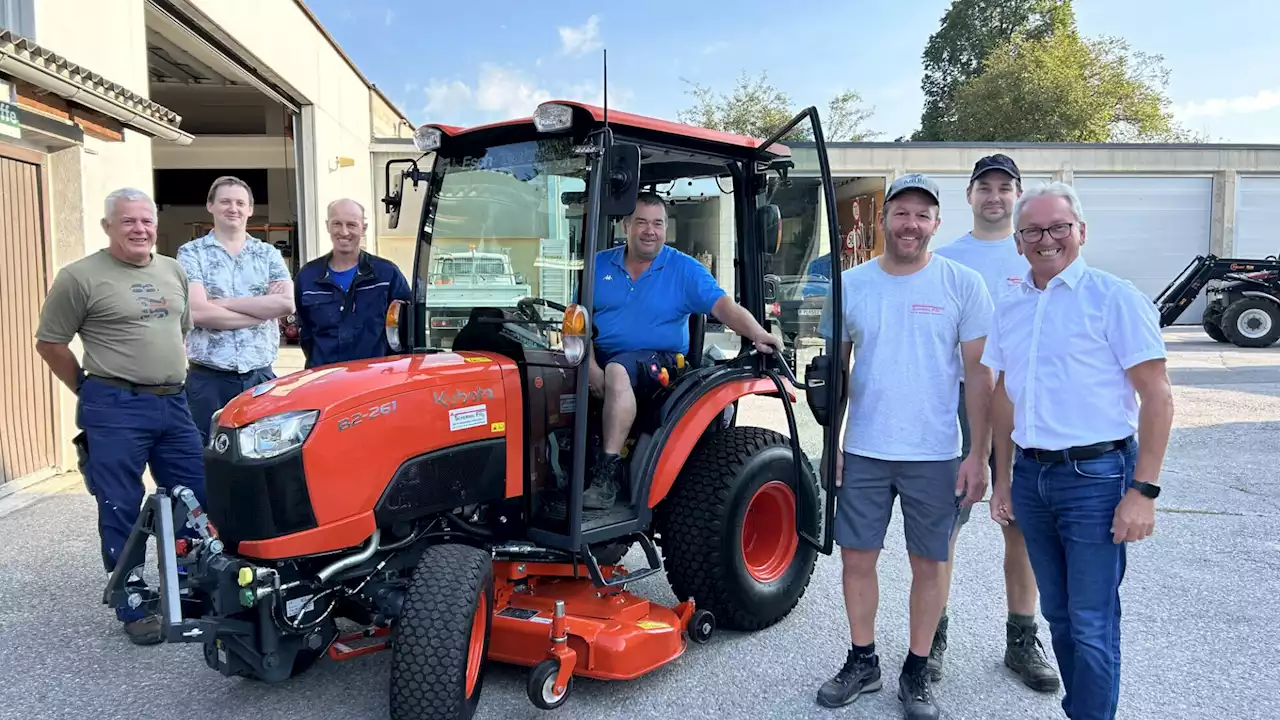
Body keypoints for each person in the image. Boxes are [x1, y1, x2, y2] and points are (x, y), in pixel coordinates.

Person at [984, 182, 1174, 720]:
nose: (1046, 240)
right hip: (1032, 477)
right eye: (1033, 231)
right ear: (1018, 242)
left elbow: (1157, 398)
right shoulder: (1012, 303)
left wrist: (1143, 491)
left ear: (1081, 232)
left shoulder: (1115, 298)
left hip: (1096, 477)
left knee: (1091, 621)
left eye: (1058, 227)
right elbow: (1003, 395)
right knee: (1061, 617)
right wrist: (1004, 479)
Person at [815, 174, 994, 720]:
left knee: (931, 562)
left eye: (922, 214)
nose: (910, 224)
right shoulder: (851, 285)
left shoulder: (963, 285)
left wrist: (977, 454)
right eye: (901, 213)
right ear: (882, 220)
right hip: (866, 449)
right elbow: (834, 373)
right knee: (857, 558)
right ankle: (862, 659)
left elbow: (979, 377)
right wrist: (834, 444)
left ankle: (917, 670)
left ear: (937, 223)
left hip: (936, 453)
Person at [34, 187, 207, 646]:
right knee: (121, 503)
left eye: (146, 220)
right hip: (113, 407)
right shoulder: (79, 277)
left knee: (194, 494)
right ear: (108, 225)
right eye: (128, 221)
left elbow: (180, 330)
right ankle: (132, 598)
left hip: (173, 403)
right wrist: (88, 391)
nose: (139, 229)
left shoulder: (174, 270)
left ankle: (191, 588)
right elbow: (50, 343)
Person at [928, 154, 1059, 691]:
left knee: (1021, 525)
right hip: (960, 405)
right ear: (970, 195)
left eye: (1006, 188)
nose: (995, 196)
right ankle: (931, 635)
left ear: (1018, 195)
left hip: (1026, 407)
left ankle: (1022, 640)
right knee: (946, 527)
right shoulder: (946, 259)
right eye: (985, 186)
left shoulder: (1039, 253)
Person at [584, 192, 783, 510]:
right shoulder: (597, 265)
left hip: (661, 365)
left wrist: (758, 333)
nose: (650, 231)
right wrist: (590, 366)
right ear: (626, 226)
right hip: (600, 360)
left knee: (619, 371)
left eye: (658, 223)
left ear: (665, 228)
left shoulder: (684, 270)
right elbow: (577, 322)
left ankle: (606, 475)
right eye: (642, 222)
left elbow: (724, 307)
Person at [177, 176, 294, 443]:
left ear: (250, 209)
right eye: (225, 202)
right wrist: (260, 311)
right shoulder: (191, 253)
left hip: (260, 378)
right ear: (210, 206)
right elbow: (198, 313)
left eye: (240, 203)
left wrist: (221, 304)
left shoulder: (268, 254)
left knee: (263, 455)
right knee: (206, 455)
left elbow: (286, 304)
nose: (234, 208)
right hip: (208, 380)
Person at [293, 198, 412, 368]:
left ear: (363, 228)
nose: (344, 232)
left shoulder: (387, 275)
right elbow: (305, 333)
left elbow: (406, 329)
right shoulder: (307, 277)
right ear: (327, 226)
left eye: (351, 224)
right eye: (337, 224)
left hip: (375, 378)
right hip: (323, 378)